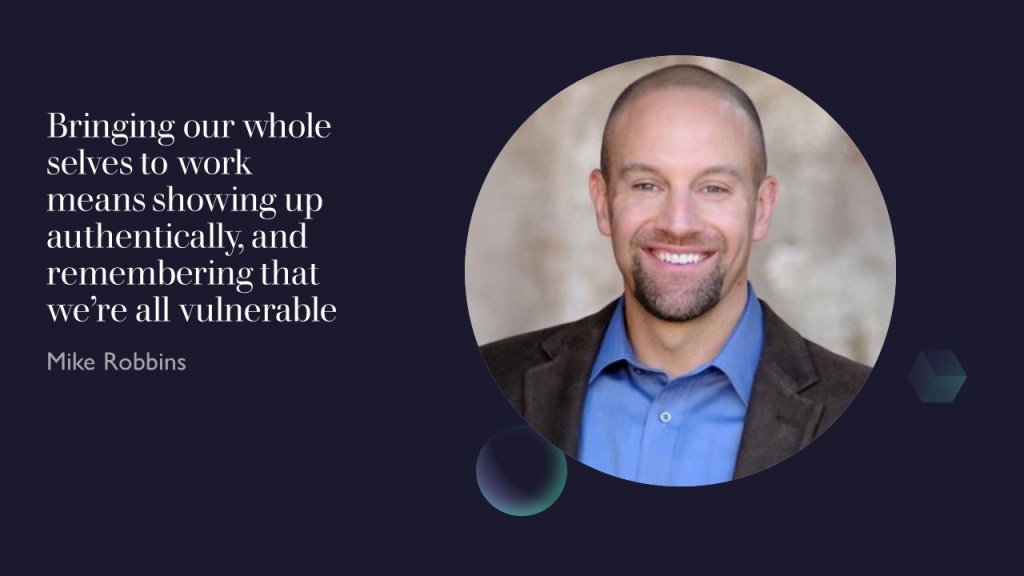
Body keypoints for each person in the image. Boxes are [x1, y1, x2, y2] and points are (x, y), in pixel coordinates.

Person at [480, 64, 870, 486]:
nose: (679, 224)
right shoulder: (496, 379)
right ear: (602, 201)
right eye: (647, 185)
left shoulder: (854, 406)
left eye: (714, 188)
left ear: (762, 209)